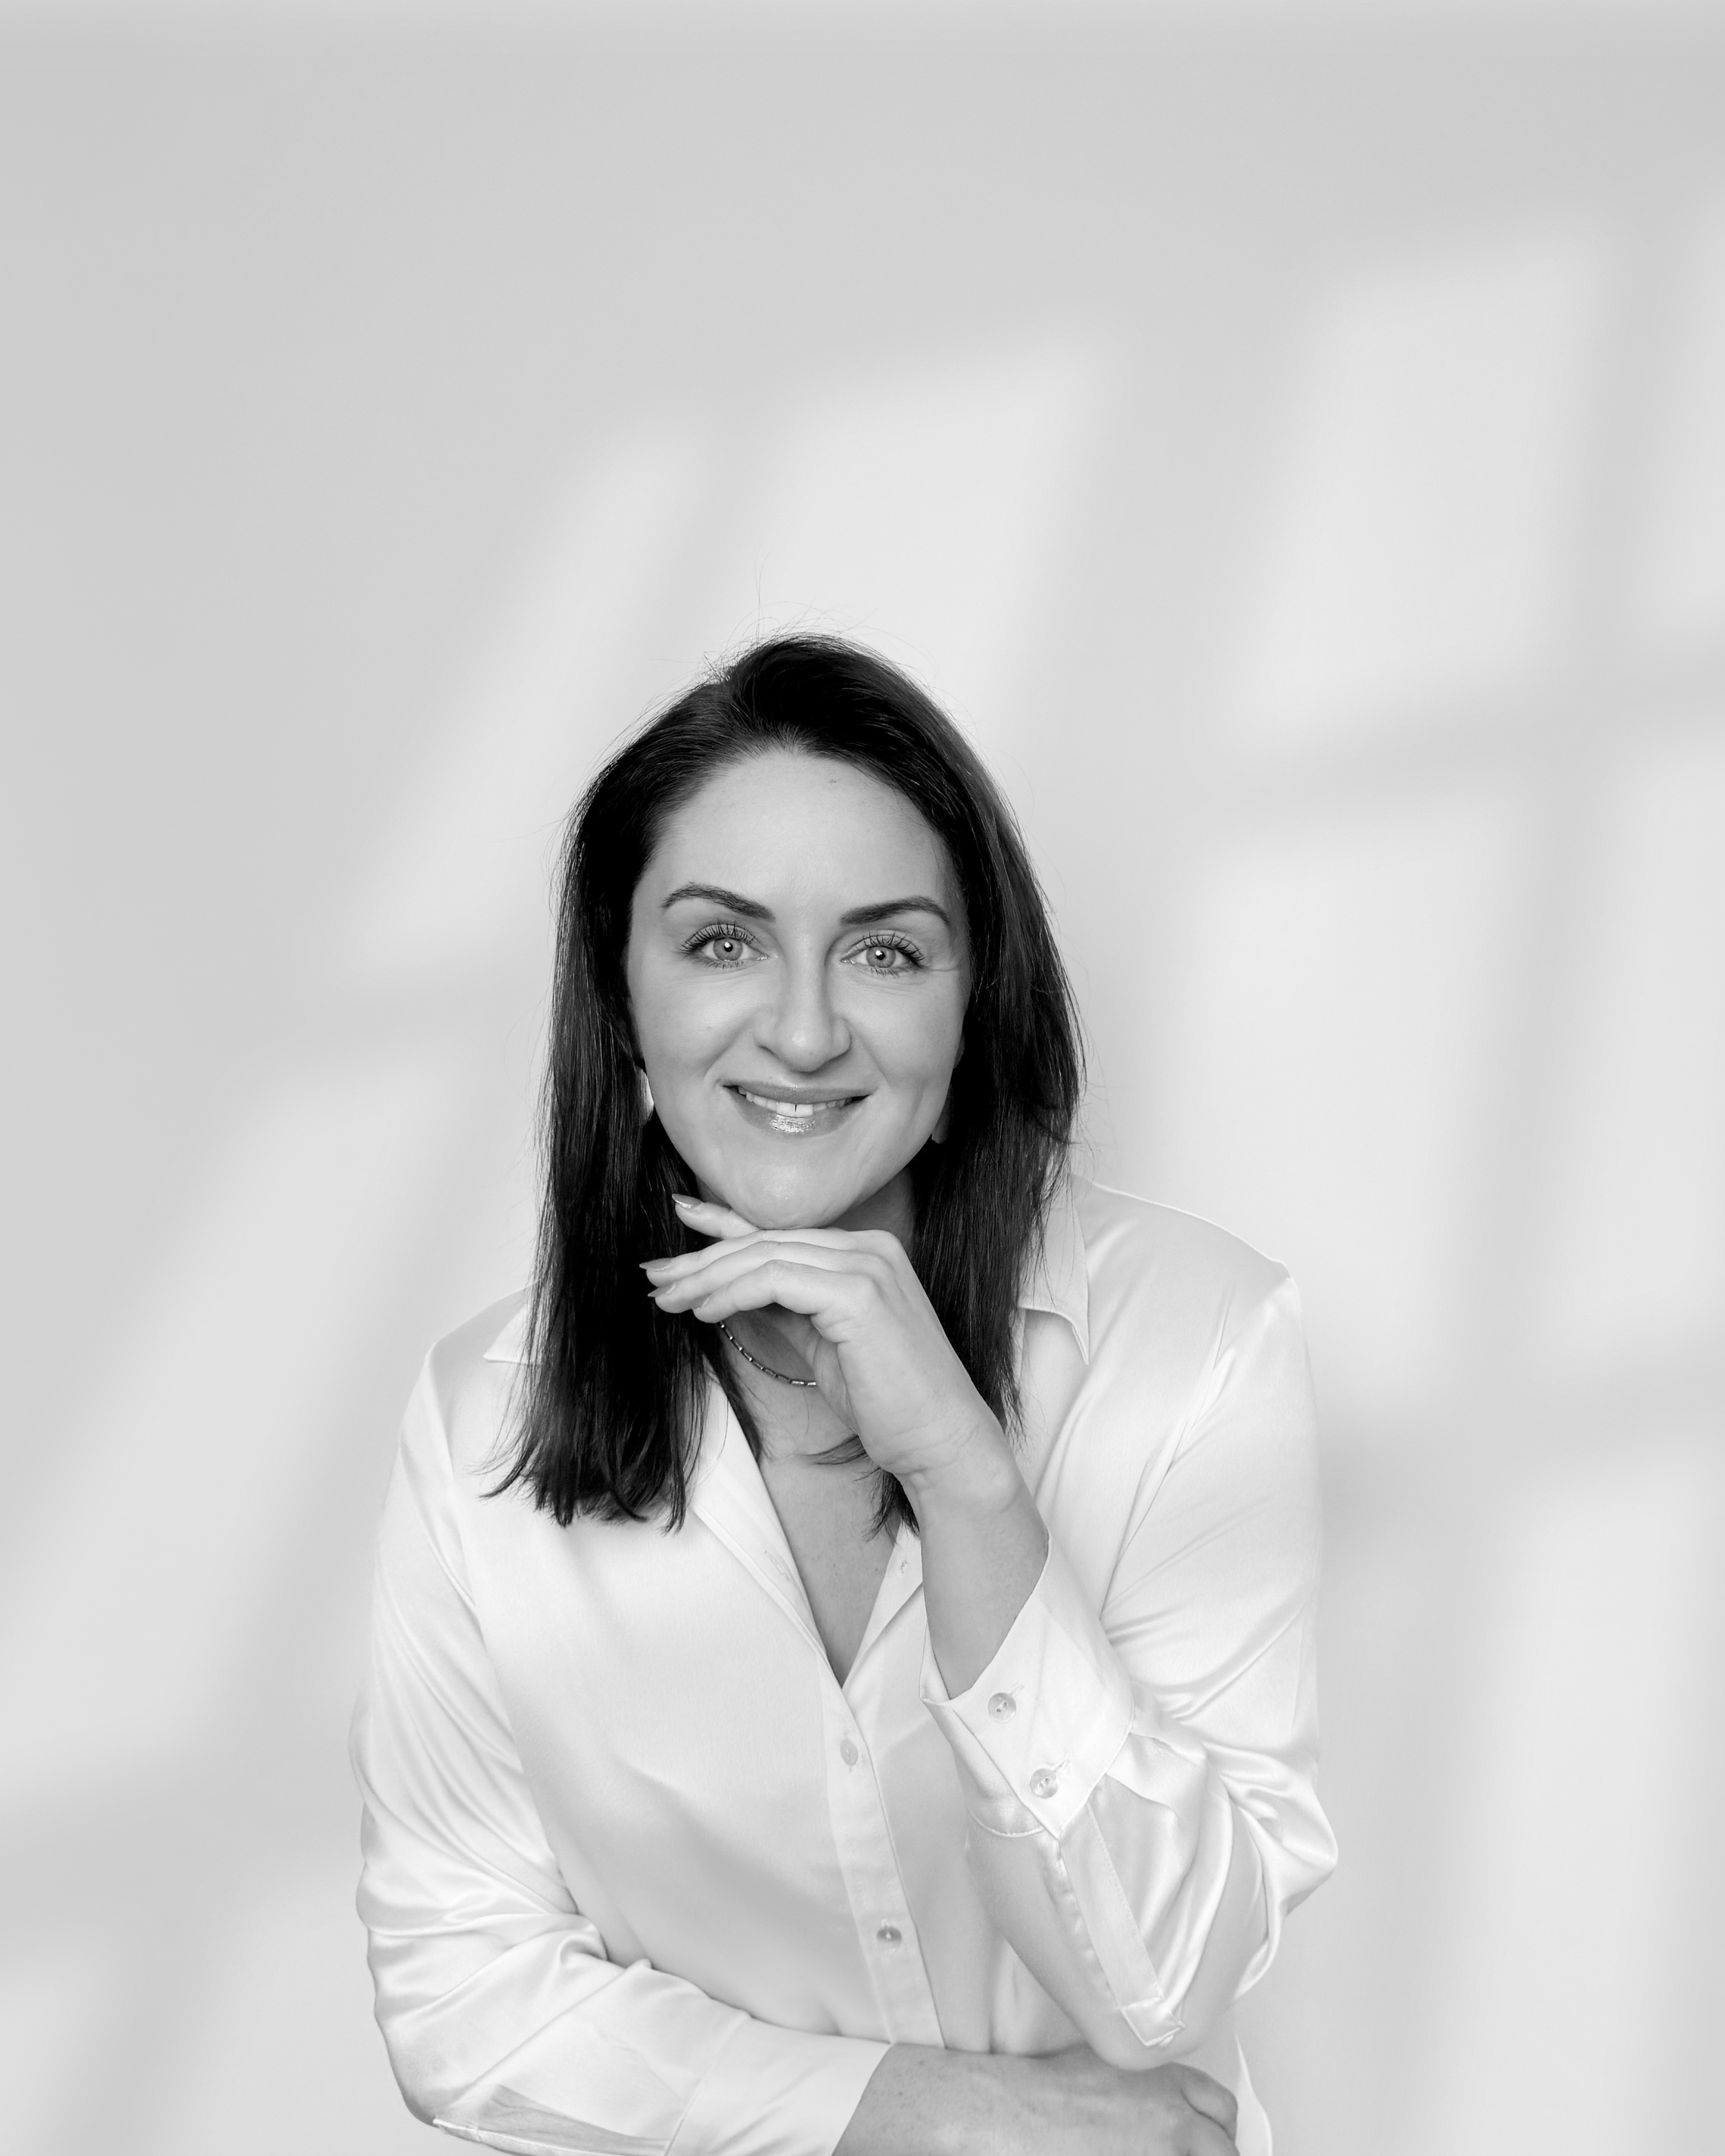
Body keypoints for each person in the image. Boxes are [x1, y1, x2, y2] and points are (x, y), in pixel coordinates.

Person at [351, 634, 1337, 2156]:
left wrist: (965, 1473)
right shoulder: (483, 1411)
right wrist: (925, 2115)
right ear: (619, 996)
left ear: (971, 1003)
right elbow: (459, 1992)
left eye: (884, 953)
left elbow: (1157, 1983)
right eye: (722, 942)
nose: (805, 1031)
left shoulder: (1194, 1338)